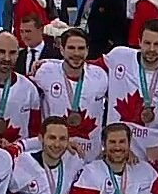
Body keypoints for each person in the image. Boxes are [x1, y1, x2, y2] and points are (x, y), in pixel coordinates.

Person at [101, 19, 158, 163]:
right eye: (147, 43)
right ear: (139, 42)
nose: (151, 49)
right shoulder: (119, 57)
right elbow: (89, 74)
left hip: (154, 156)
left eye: (157, 44)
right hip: (118, 151)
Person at [32, 28, 109, 162]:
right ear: (62, 50)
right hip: (56, 156)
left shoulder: (100, 76)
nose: (76, 53)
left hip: (90, 158)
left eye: (81, 48)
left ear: (87, 50)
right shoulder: (45, 72)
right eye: (71, 48)